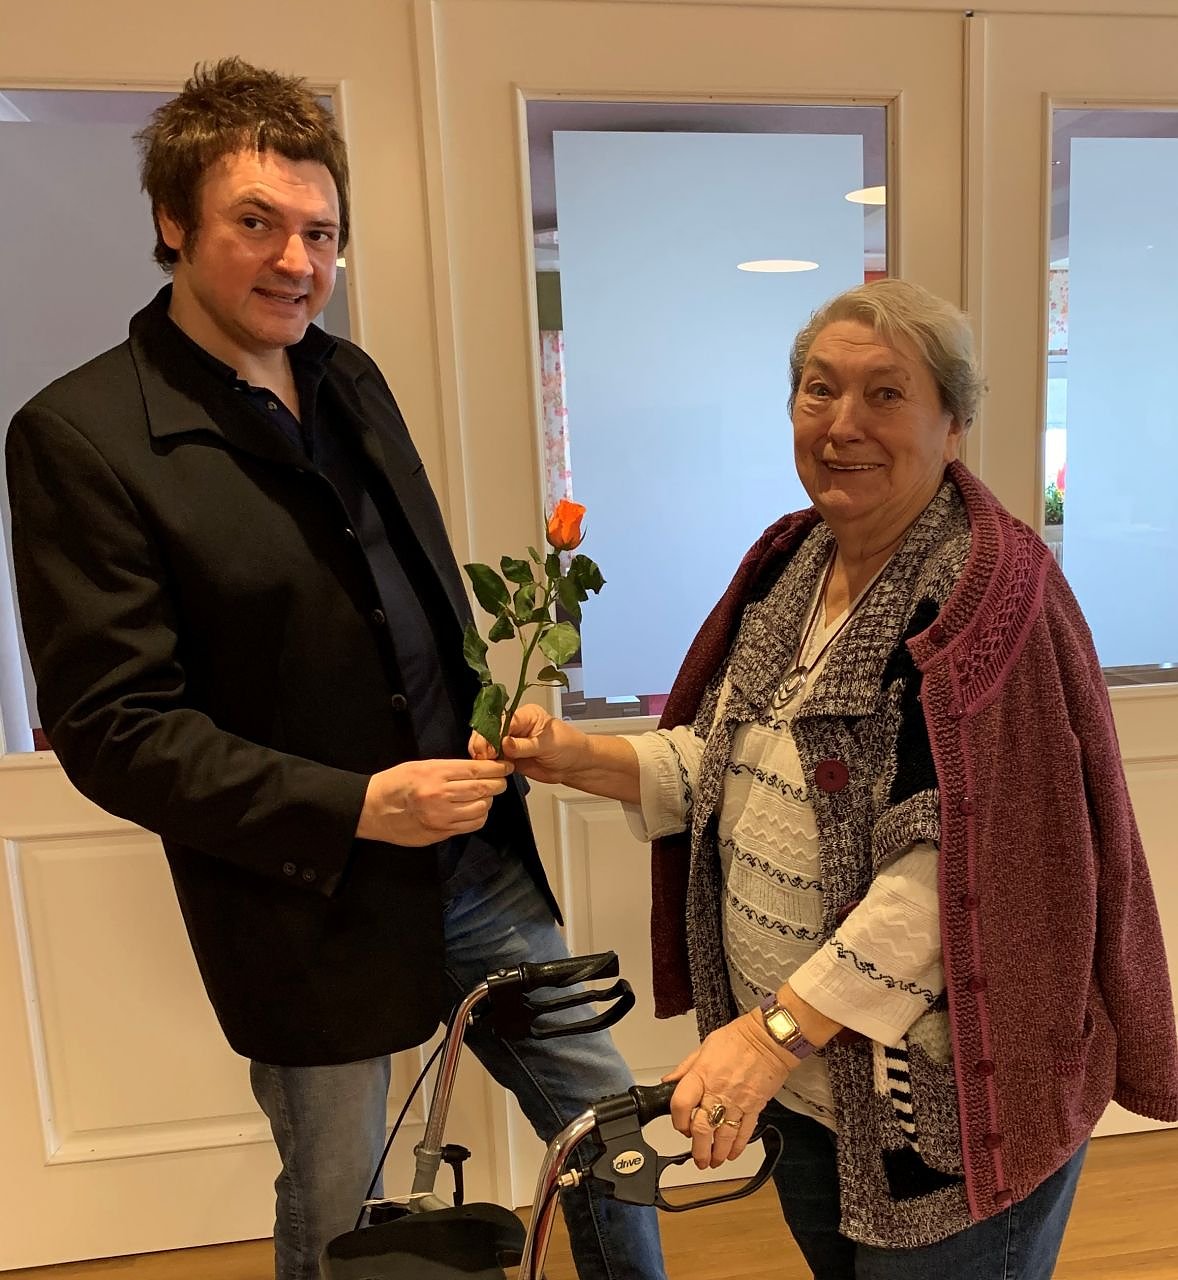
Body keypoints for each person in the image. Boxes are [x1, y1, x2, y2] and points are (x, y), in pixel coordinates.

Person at [4, 57, 665, 1280]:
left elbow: (411, 597)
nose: (297, 261)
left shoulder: (347, 376)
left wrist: (486, 710)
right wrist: (358, 804)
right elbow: (112, 729)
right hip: (305, 900)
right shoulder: (80, 436)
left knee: (606, 1131)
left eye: (320, 232)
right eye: (256, 223)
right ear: (173, 221)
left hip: (475, 860)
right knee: (337, 1204)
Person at [472, 279, 1178, 1278]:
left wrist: (766, 1040)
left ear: (952, 424)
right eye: (818, 389)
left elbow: (955, 874)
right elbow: (732, 763)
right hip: (811, 1088)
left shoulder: (983, 597)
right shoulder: (795, 562)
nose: (842, 423)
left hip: (939, 1109)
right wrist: (581, 758)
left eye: (885, 393)